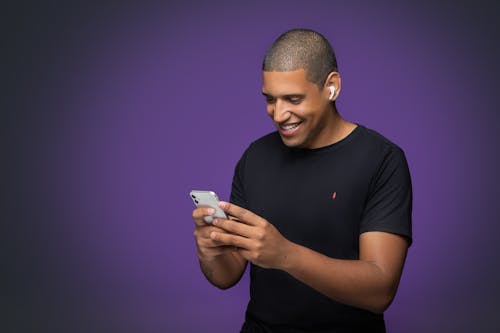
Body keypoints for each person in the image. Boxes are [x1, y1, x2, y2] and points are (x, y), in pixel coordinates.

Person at [192, 28, 412, 332]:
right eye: (270, 99)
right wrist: (209, 253)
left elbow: (380, 290)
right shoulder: (255, 157)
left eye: (293, 99)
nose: (279, 114)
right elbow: (226, 276)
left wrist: (285, 255)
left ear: (331, 87)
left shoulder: (382, 160)